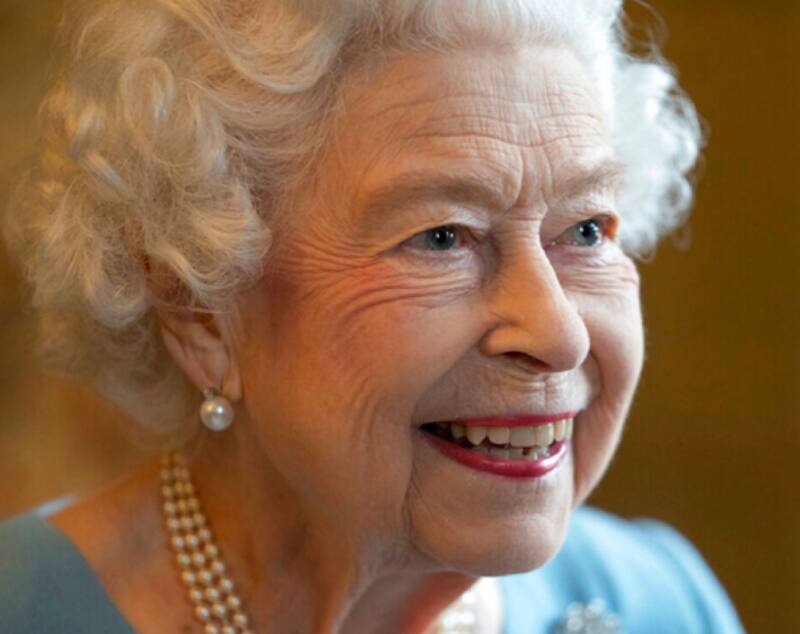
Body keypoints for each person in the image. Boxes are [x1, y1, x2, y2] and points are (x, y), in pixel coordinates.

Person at [0, 1, 744, 632]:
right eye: (442, 237)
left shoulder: (662, 604)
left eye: (586, 230)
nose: (559, 335)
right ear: (200, 312)